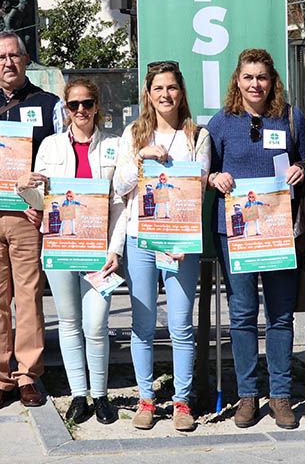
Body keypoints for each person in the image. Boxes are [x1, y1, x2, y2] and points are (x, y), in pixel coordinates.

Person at [207, 48, 305, 430]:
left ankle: (281, 395)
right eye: (248, 77)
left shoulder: (290, 118)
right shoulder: (221, 123)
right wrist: (213, 179)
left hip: (279, 230)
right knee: (242, 315)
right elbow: (205, 171)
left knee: (281, 317)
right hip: (234, 234)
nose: (255, 84)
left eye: (262, 77)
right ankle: (248, 395)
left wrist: (300, 169)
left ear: (272, 81)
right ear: (238, 80)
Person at [0, 31, 63, 411]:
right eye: (0, 57)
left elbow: (60, 156)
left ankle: (28, 376)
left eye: (14, 55)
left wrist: (45, 197)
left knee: (28, 297)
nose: (8, 62)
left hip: (27, 214)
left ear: (25, 59)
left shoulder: (48, 104)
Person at [17, 78, 125, 426]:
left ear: (97, 107)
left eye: (87, 103)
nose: (81, 110)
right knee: (68, 321)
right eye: (74, 104)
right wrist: (26, 193)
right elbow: (39, 199)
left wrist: (116, 249)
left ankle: (101, 394)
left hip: (99, 250)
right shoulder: (49, 146)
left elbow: (121, 204)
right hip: (62, 245)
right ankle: (80, 395)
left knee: (96, 323)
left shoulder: (115, 145)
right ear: (65, 109)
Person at [112, 61, 211, 432]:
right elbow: (120, 188)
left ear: (181, 91)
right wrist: (140, 159)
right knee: (142, 322)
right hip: (140, 237)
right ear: (148, 94)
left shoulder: (197, 136)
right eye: (158, 89)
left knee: (181, 324)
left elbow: (198, 189)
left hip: (181, 240)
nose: (165, 95)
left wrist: (183, 237)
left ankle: (182, 402)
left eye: (171, 87)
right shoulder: (133, 134)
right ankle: (146, 399)